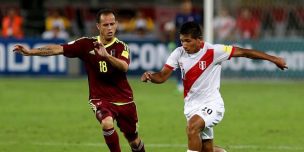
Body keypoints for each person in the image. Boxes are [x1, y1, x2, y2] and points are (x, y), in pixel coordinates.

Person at [141, 21, 287, 152]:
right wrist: (150, 76)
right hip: (191, 107)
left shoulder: (214, 51)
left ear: (199, 40)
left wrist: (274, 59)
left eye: (188, 41)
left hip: (213, 104)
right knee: (207, 149)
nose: (184, 45)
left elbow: (245, 52)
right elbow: (162, 76)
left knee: (192, 128)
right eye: (182, 41)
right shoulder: (178, 53)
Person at [13, 8, 145, 152]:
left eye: (112, 24)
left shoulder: (121, 46)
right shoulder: (86, 44)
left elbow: (124, 66)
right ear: (98, 26)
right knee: (107, 123)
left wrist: (107, 56)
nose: (110, 28)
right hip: (100, 98)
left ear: (117, 24)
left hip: (124, 99)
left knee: (134, 141)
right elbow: (58, 49)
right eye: (106, 25)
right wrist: (31, 52)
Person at [174, 0, 202, 92]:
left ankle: (195, 82)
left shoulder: (195, 16)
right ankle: (180, 83)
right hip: (180, 44)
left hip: (193, 45)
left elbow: (199, 29)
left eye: (188, 3)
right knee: (180, 62)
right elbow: (176, 29)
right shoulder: (179, 16)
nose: (186, 5)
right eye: (185, 3)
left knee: (194, 62)